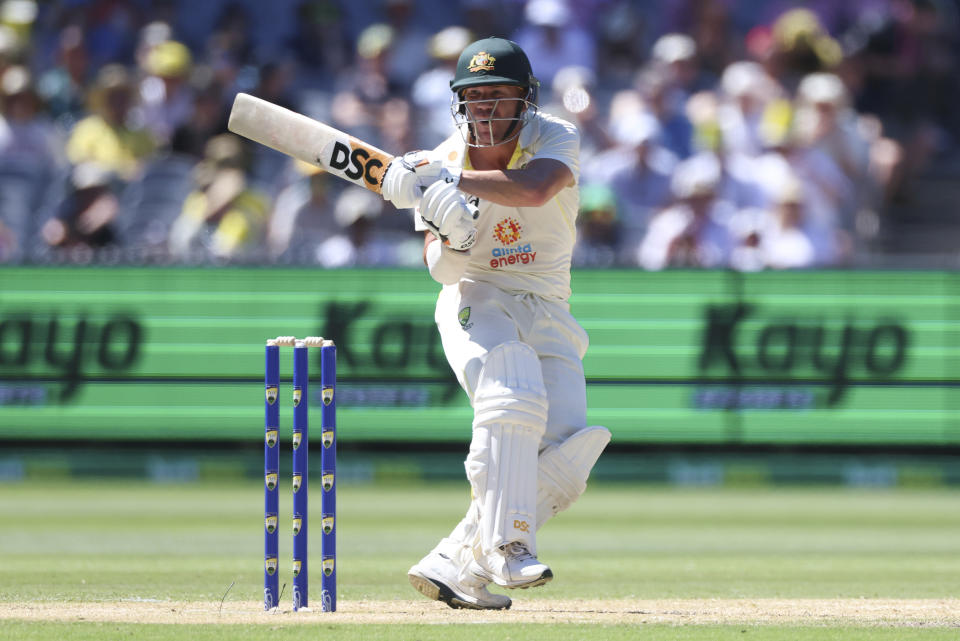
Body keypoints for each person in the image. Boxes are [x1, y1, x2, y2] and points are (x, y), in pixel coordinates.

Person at [379, 36, 611, 611]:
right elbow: (440, 269)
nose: (484, 108)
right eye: (473, 97)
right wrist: (452, 236)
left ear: (524, 101)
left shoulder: (554, 136)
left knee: (566, 454)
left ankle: (456, 563)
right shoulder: (437, 162)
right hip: (476, 297)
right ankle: (509, 547)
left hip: (549, 303)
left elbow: (535, 190)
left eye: (497, 96)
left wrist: (444, 184)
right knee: (511, 387)